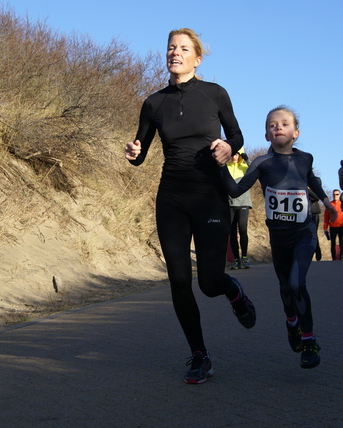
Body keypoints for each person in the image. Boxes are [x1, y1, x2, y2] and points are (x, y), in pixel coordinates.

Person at [124, 28, 256, 384]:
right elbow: (141, 149)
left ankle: (233, 291)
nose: (175, 52)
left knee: (209, 282)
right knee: (179, 279)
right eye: (170, 48)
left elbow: (238, 136)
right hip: (171, 198)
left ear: (197, 58)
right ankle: (200, 355)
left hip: (209, 194)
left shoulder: (215, 94)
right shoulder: (154, 102)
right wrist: (134, 153)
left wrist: (229, 148)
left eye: (183, 48)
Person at [220, 106, 338, 369]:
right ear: (266, 135)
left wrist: (327, 201)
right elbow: (236, 188)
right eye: (272, 124)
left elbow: (311, 180)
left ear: (296, 132)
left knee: (297, 284)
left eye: (284, 123)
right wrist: (220, 168)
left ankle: (309, 340)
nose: (278, 127)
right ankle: (291, 322)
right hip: (279, 238)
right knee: (285, 288)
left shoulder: (306, 158)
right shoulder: (261, 163)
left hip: (303, 233)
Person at [227, 150, 253, 269]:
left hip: (244, 203)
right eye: (232, 154)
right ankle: (236, 260)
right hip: (230, 204)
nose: (234, 157)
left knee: (243, 229)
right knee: (232, 233)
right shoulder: (227, 167)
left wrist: (246, 158)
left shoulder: (245, 167)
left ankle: (245, 257)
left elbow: (256, 169)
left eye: (237, 154)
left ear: (240, 155)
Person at [323, 189, 343, 260]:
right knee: (333, 243)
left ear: (340, 195)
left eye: (337, 194)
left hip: (342, 226)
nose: (335, 196)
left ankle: (342, 256)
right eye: (334, 194)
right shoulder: (330, 205)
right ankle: (334, 258)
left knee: (342, 242)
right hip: (332, 227)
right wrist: (325, 228)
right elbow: (326, 217)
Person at [308, 179, 322, 261]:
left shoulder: (316, 180)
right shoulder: (301, 179)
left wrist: (308, 190)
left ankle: (317, 250)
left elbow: (317, 197)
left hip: (314, 212)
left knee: (313, 232)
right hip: (303, 211)